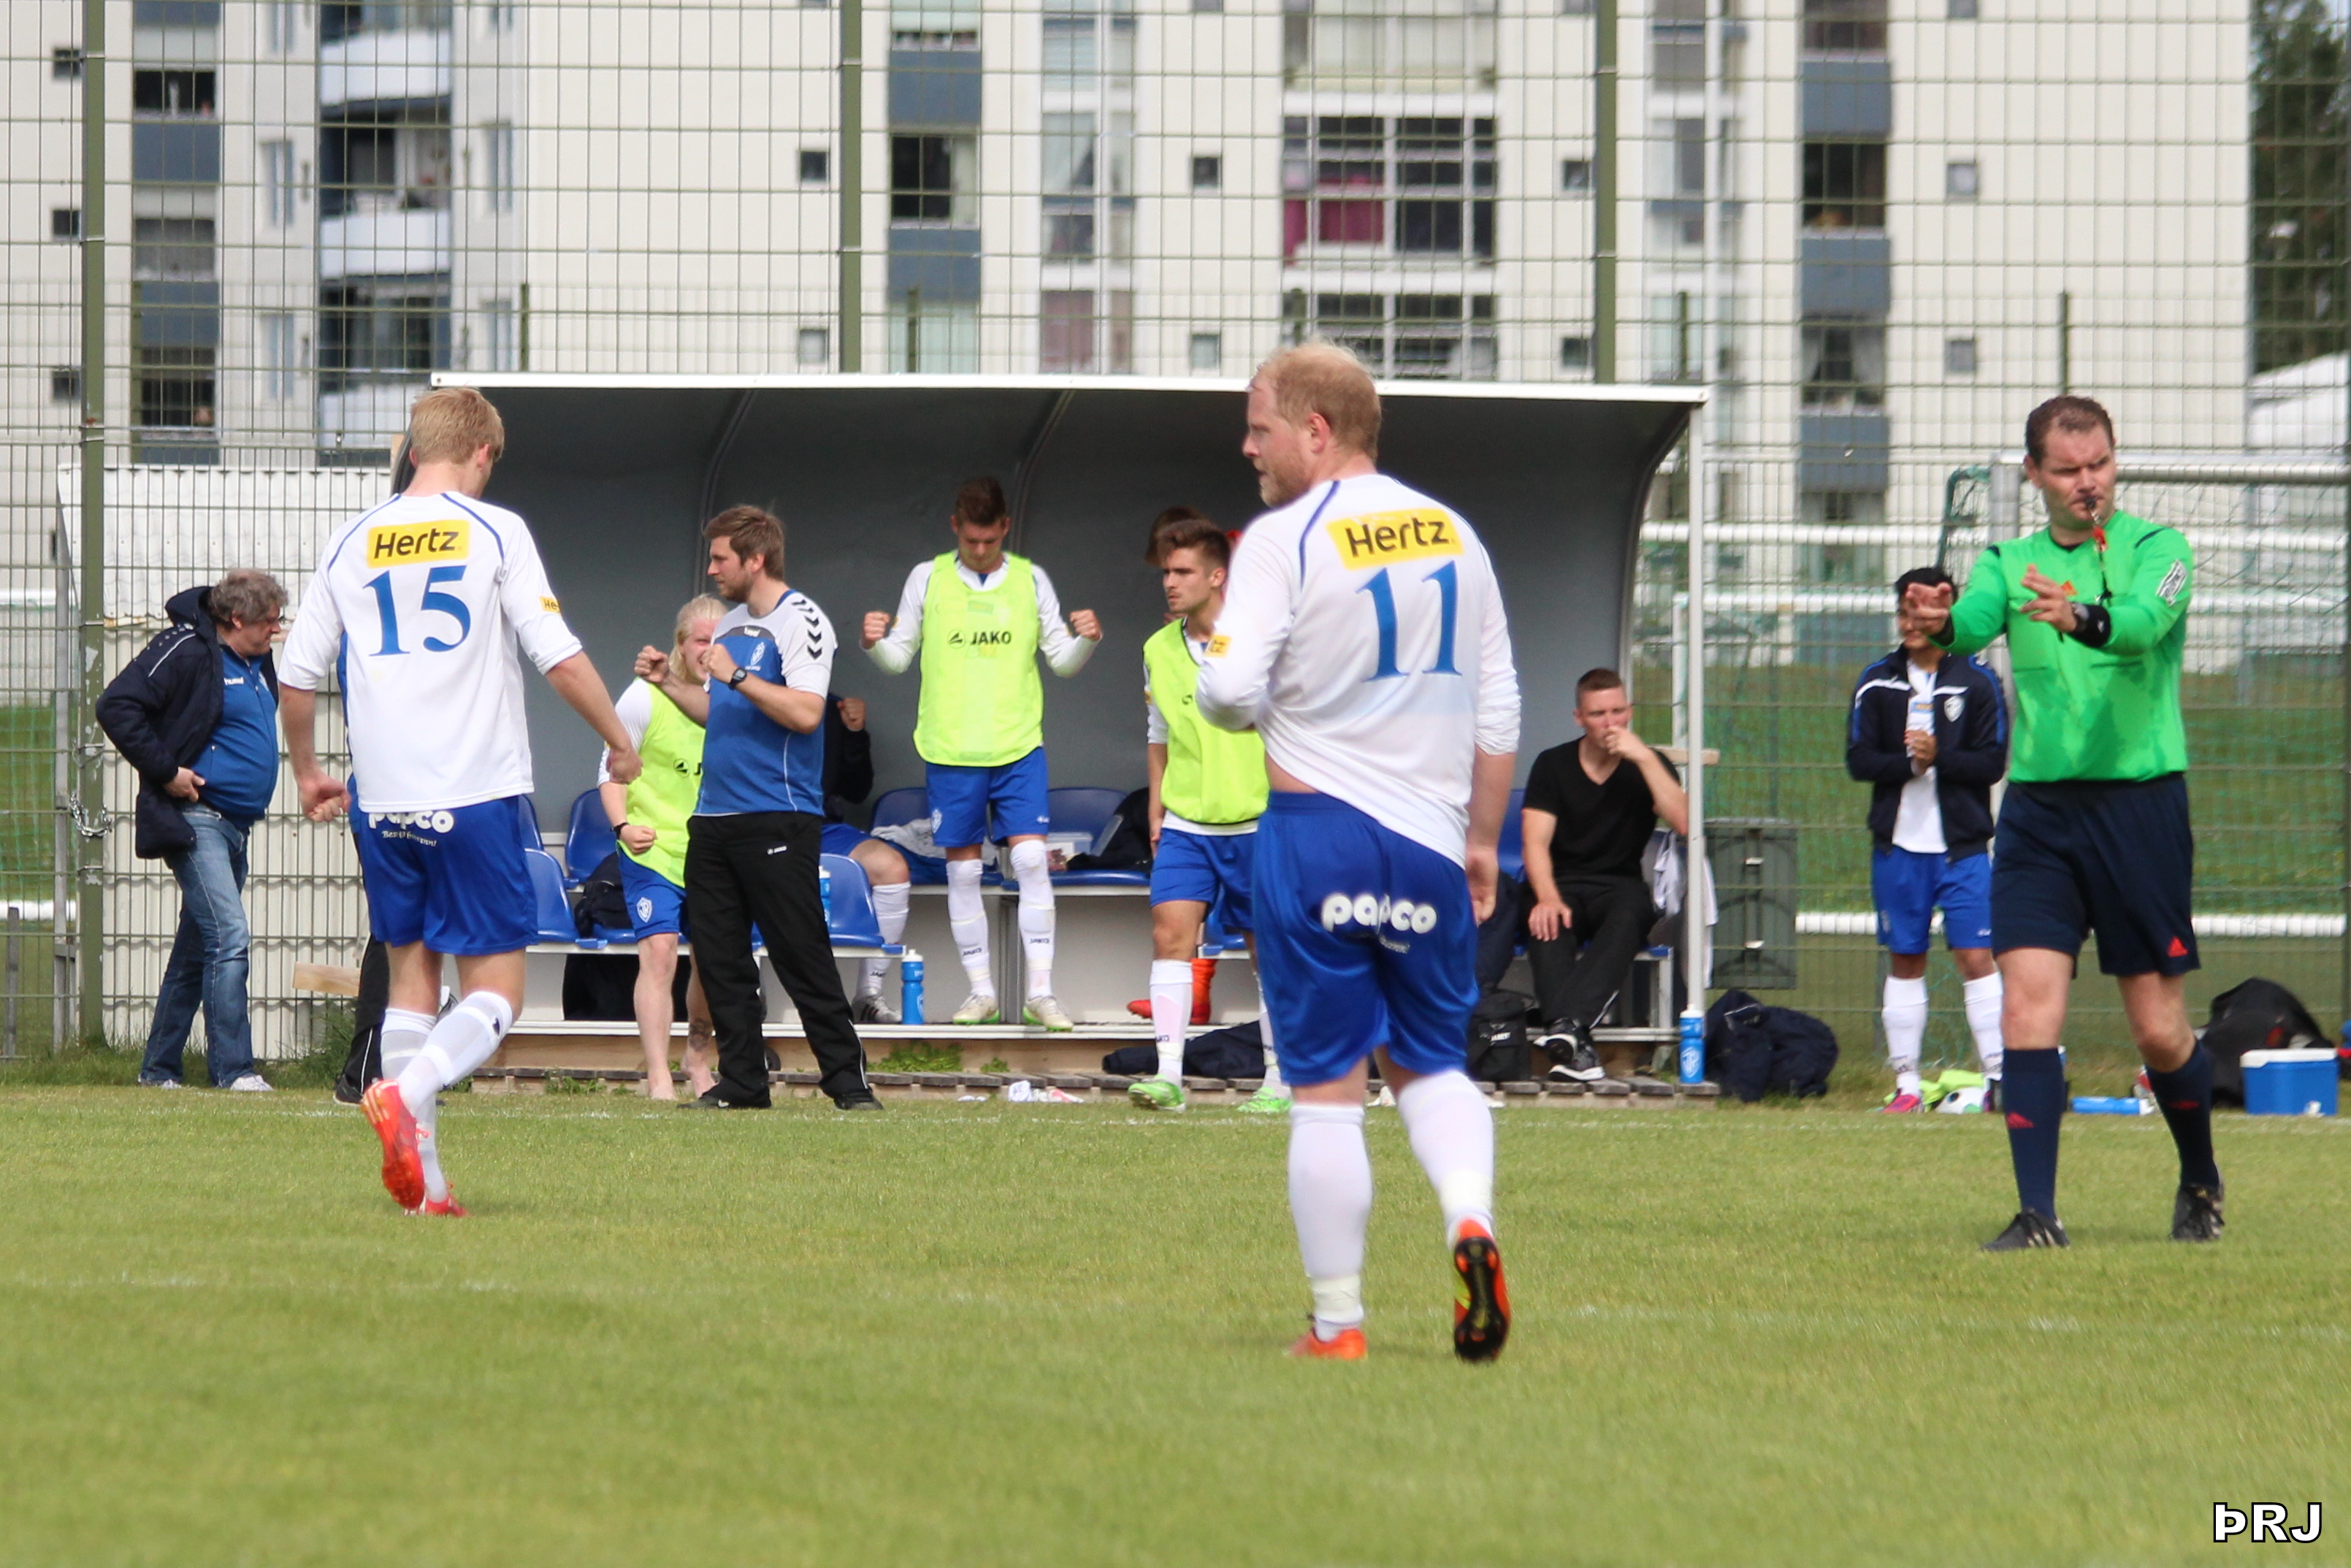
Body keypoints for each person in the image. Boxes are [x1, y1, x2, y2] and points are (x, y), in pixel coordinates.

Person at [1199, 341, 1521, 1364]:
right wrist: (1480, 840)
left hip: (1315, 836)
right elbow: (1500, 707)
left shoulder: (1281, 538)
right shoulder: (1457, 534)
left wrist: (1247, 687)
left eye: (1259, 428)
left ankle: (1338, 1324)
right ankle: (1469, 1219)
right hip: (1430, 842)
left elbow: (1227, 691)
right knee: (1430, 1063)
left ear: (1315, 429)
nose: (1247, 447)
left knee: (1327, 1089)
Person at [283, 386, 642, 1215]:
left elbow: (297, 676)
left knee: (412, 985)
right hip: (474, 791)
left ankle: (428, 1190)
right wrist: (618, 741)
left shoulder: (351, 538)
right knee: (497, 994)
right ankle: (404, 1093)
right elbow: (557, 655)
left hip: (382, 799)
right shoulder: (495, 529)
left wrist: (306, 772)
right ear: (483, 453)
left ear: (413, 450)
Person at [1904, 394, 2220, 1250]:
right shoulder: (2008, 561)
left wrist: (2078, 614)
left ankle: (2200, 1174)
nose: (2089, 482)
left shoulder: (2161, 548)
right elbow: (1970, 625)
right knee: (2026, 1012)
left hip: (2141, 806)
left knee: (2157, 1028)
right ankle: (2038, 1214)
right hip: (2041, 814)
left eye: (2100, 464)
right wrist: (1938, 619)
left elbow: (2144, 626)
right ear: (2035, 474)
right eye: (2070, 469)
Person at [639, 505, 879, 1112]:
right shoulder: (730, 624)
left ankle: (848, 1084)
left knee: (801, 954)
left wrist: (738, 674)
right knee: (720, 959)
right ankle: (743, 1082)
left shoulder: (802, 620)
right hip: (713, 818)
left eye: (721, 557)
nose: (712, 568)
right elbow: (719, 712)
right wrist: (670, 683)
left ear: (756, 558)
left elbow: (806, 712)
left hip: (778, 813)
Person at [860, 476, 1102, 1030]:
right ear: (955, 527)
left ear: (1005, 529)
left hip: (1018, 745)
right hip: (951, 749)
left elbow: (1062, 661)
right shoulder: (927, 577)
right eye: (971, 540)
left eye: (990, 540)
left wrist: (1087, 639)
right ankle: (981, 992)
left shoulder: (1031, 578)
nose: (980, 550)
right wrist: (872, 643)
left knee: (1030, 860)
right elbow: (897, 659)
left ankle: (1041, 993)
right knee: (965, 872)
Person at [97, 569, 288, 1092]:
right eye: (269, 621)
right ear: (236, 619)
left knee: (196, 949)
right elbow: (116, 705)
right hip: (198, 820)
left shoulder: (257, 660)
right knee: (230, 936)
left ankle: (158, 1069)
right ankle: (234, 1070)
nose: (277, 630)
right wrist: (166, 771)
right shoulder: (186, 649)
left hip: (237, 826)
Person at [1127, 508, 1291, 1117]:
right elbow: (1158, 731)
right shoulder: (1155, 648)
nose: (1169, 583)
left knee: (1268, 951)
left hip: (1258, 820)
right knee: (1169, 935)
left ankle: (1279, 1078)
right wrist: (1156, 805)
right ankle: (1168, 1077)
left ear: (1217, 576)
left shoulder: (1262, 641)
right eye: (1166, 573)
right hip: (1186, 822)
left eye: (1183, 572)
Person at [1846, 565, 2009, 1112]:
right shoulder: (1877, 681)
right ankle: (1907, 1087)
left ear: (1946, 615)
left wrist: (1940, 757)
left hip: (1963, 850)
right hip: (1898, 849)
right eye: (1903, 612)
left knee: (1976, 957)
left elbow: (1990, 764)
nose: (1910, 623)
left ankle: (1998, 1080)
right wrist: (1908, 765)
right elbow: (1858, 760)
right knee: (1905, 959)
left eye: (1920, 613)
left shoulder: (1978, 681)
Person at [1520, 669, 1689, 1084]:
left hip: (1618, 884)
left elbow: (1685, 823)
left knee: (1632, 911)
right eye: (1597, 714)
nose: (1610, 723)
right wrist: (1547, 896)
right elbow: (1535, 843)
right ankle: (1571, 1035)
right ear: (1579, 718)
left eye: (1617, 712)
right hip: (1558, 882)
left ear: (1630, 712)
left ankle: (1565, 1028)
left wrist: (1644, 757)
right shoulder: (1553, 764)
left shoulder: (1650, 764)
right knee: (1547, 921)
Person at [603, 595, 727, 1100]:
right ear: (680, 644)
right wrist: (623, 826)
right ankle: (657, 1076)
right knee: (659, 952)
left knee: (714, 961)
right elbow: (608, 774)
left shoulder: (734, 700)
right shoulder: (643, 697)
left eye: (719, 641)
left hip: (712, 851)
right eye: (701, 640)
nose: (708, 650)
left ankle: (697, 1057)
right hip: (652, 847)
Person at [818, 692, 916, 1024]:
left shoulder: (828, 706)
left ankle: (868, 994)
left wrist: (854, 734)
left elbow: (857, 790)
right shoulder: (742, 696)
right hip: (760, 827)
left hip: (821, 828)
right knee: (740, 864)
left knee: (891, 867)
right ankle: (751, 995)